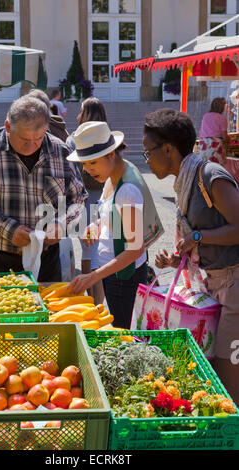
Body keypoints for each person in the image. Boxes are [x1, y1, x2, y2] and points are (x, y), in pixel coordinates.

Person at [143, 108, 239, 406]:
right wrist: (177, 260)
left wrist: (197, 237)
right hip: (209, 288)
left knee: (228, 370)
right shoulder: (185, 181)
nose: (147, 159)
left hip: (234, 287)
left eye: (148, 151)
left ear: (169, 149)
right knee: (212, 369)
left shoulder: (209, 176)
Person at [0, 95, 87, 282]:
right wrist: (7, 229)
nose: (31, 146)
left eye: (39, 138)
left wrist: (62, 224)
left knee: (45, 308)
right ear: (8, 127)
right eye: (24, 139)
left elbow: (78, 199)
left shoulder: (61, 151)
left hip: (46, 259)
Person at [67, 121, 164, 329]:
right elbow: (107, 213)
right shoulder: (116, 173)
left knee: (124, 332)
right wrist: (96, 225)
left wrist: (93, 276)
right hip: (115, 273)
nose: (86, 169)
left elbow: (134, 249)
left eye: (92, 162)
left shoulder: (127, 190)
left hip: (123, 278)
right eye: (84, 163)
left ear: (111, 154)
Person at [66, 97, 108, 304]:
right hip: (105, 197)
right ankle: (99, 303)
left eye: (80, 111)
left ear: (86, 114)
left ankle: (92, 302)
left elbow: (70, 174)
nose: (77, 115)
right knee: (99, 249)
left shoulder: (74, 139)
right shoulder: (107, 136)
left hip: (82, 199)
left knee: (88, 250)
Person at [197, 97, 228, 165]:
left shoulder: (205, 116)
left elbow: (201, 132)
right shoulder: (222, 118)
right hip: (216, 147)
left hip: (203, 145)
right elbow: (225, 137)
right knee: (216, 171)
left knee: (203, 169)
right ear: (221, 107)